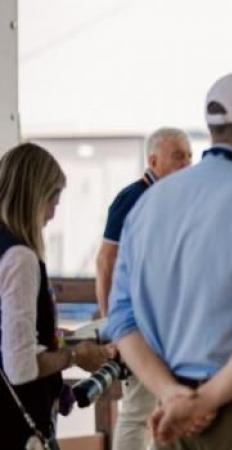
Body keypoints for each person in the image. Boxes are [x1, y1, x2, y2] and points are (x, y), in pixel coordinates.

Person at [104, 71, 232, 449]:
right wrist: (207, 399)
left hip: (171, 416)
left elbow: (121, 318)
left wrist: (171, 395)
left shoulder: (149, 204)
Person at [0, 143, 112, 449]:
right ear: (35, 197)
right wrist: (75, 356)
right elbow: (20, 366)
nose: (51, 214)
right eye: (53, 201)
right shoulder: (19, 258)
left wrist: (58, 340)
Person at [95, 127, 192, 450]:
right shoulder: (132, 197)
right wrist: (111, 327)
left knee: (168, 410)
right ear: (153, 160)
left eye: (190, 156)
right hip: (140, 325)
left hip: (170, 324)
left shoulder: (175, 199)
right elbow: (105, 261)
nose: (187, 163)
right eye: (178, 156)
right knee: (138, 410)